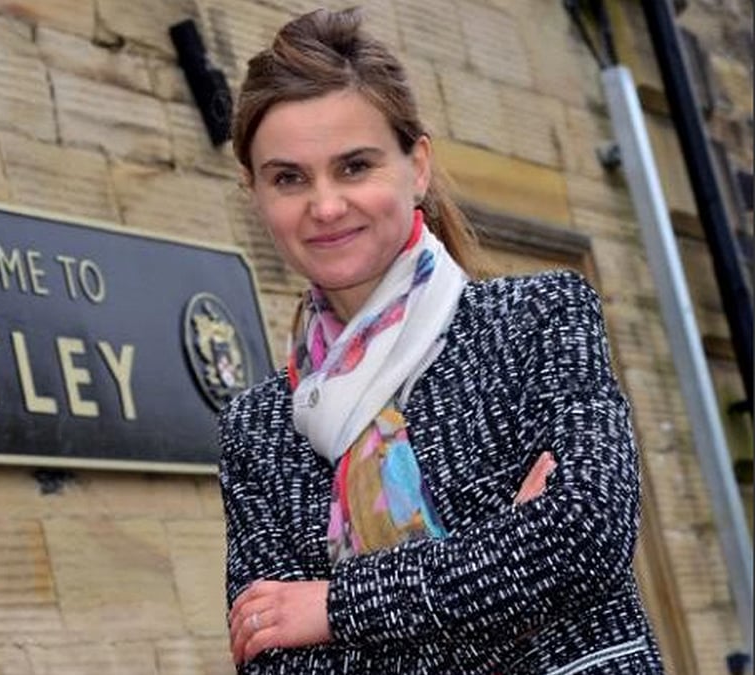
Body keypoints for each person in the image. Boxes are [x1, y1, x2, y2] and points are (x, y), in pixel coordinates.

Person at [217, 7, 664, 673]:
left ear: (416, 165)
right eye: (288, 177)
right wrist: (503, 564)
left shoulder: (538, 317)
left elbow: (584, 536)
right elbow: (273, 659)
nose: (326, 205)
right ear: (256, 194)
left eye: (354, 166)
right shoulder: (257, 428)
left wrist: (334, 608)